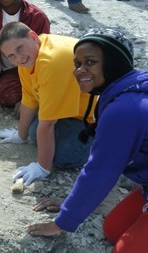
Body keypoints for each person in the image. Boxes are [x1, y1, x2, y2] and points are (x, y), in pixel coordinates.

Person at [26, 28, 148, 253]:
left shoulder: (124, 109)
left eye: (90, 62)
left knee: (124, 250)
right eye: (77, 63)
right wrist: (73, 202)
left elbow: (100, 172)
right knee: (113, 229)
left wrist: (63, 221)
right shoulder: (127, 88)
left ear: (113, 63)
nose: (79, 70)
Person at [0, 22, 96, 186]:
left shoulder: (50, 62)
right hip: (78, 110)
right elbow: (29, 100)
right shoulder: (29, 60)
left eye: (20, 48)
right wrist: (20, 136)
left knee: (64, 156)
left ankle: (111, 145)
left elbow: (48, 124)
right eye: (11, 56)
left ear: (33, 37)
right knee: (34, 131)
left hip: (104, 115)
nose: (18, 57)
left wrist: (42, 167)